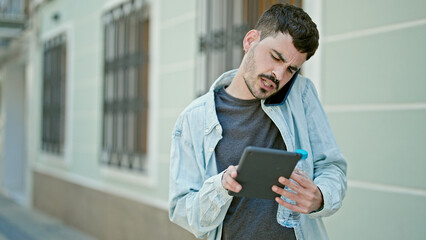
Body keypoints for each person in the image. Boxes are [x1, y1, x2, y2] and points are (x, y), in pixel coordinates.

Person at [169, 3, 347, 240]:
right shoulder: (194, 118)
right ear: (250, 40)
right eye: (275, 57)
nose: (279, 75)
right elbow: (182, 209)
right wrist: (220, 187)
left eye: (291, 69)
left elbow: (332, 167)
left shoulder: (301, 95)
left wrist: (320, 196)